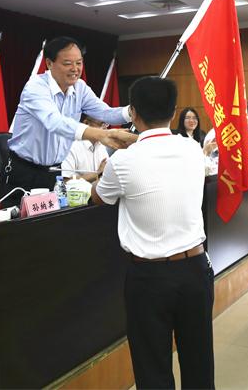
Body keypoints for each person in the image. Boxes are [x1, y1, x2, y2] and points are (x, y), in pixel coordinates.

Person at [91, 77, 214, 389]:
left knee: (152, 369)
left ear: (132, 112)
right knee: (199, 364)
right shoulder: (192, 149)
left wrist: (106, 167)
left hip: (149, 278)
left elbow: (99, 197)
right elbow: (160, 144)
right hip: (196, 269)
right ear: (174, 112)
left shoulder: (122, 161)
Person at [6, 37, 136, 196]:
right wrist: (103, 134)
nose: (75, 69)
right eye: (68, 63)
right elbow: (55, 122)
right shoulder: (36, 87)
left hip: (55, 171)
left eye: (79, 63)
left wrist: (135, 111)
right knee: (19, 212)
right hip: (24, 170)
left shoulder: (80, 88)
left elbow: (105, 113)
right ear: (49, 63)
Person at [61, 115, 109, 183]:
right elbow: (65, 181)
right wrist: (97, 173)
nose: (106, 129)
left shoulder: (102, 146)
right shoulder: (70, 147)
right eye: (102, 124)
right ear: (86, 123)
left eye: (106, 124)